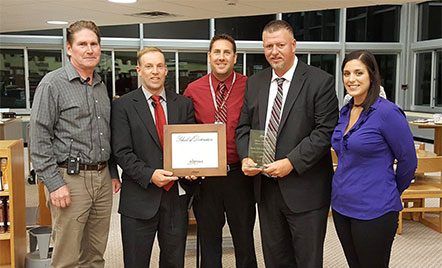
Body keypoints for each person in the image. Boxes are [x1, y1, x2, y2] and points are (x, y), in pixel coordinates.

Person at [236, 20, 339, 267]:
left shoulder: (320, 81)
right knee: (275, 259)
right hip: (267, 190)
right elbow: (243, 128)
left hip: (305, 190)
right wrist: (245, 157)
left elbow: (324, 132)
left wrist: (291, 162)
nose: (274, 51)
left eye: (280, 45)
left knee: (307, 260)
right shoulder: (255, 82)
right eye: (268, 46)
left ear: (293, 45)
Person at [30, 20, 121, 268]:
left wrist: (112, 172)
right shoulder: (52, 84)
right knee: (68, 257)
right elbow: (38, 138)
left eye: (94, 44)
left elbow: (106, 133)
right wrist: (54, 184)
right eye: (82, 44)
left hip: (102, 179)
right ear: (69, 48)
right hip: (69, 179)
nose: (89, 50)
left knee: (95, 254)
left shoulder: (101, 85)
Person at [331, 50, 417, 268]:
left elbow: (408, 162)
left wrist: (390, 191)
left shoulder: (387, 113)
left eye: (358, 73)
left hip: (375, 210)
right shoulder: (345, 111)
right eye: (346, 73)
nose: (351, 79)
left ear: (371, 75)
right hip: (342, 207)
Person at [111, 47, 195, 267]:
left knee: (174, 262)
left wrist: (195, 168)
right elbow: (122, 151)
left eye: (159, 66)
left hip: (176, 200)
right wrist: (150, 175)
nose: (154, 71)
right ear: (139, 70)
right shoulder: (123, 106)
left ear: (166, 70)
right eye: (149, 66)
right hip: (139, 198)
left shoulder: (183, 104)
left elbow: (190, 147)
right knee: (136, 262)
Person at [184, 34, 257, 268]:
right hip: (207, 179)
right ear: (209, 56)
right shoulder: (193, 90)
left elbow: (260, 126)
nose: (221, 57)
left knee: (244, 241)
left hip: (240, 175)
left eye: (227, 52)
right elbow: (185, 133)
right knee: (209, 242)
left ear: (235, 57)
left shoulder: (251, 86)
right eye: (217, 52)